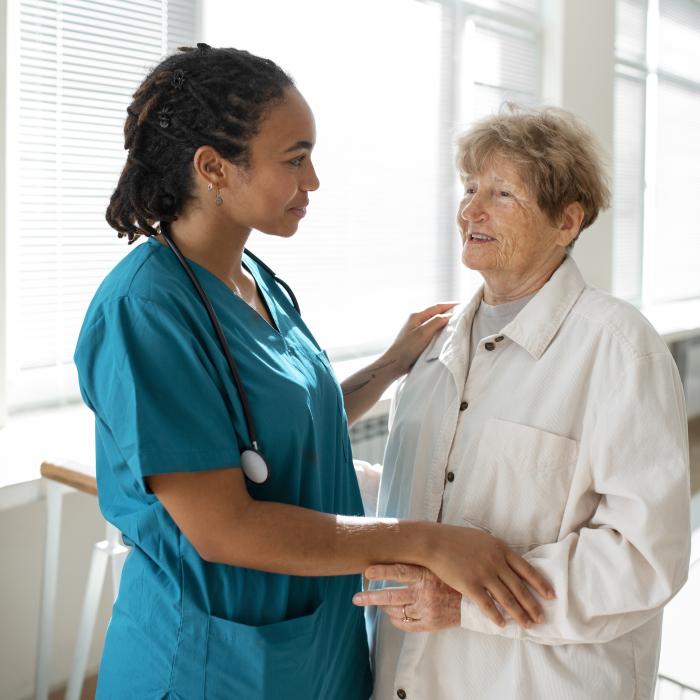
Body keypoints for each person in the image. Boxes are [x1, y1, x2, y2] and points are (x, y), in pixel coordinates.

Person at [74, 47, 554, 699]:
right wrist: (429, 543)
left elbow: (278, 434)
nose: (315, 181)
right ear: (213, 168)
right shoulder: (146, 311)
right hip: (210, 663)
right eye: (295, 159)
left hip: (317, 644)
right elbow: (224, 527)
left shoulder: (256, 281)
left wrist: (388, 366)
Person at [353, 106, 692, 700]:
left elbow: (642, 558)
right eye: (469, 188)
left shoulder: (617, 348)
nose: (470, 211)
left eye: (502, 194)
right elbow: (426, 494)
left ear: (566, 221)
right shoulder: (433, 349)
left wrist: (467, 603)